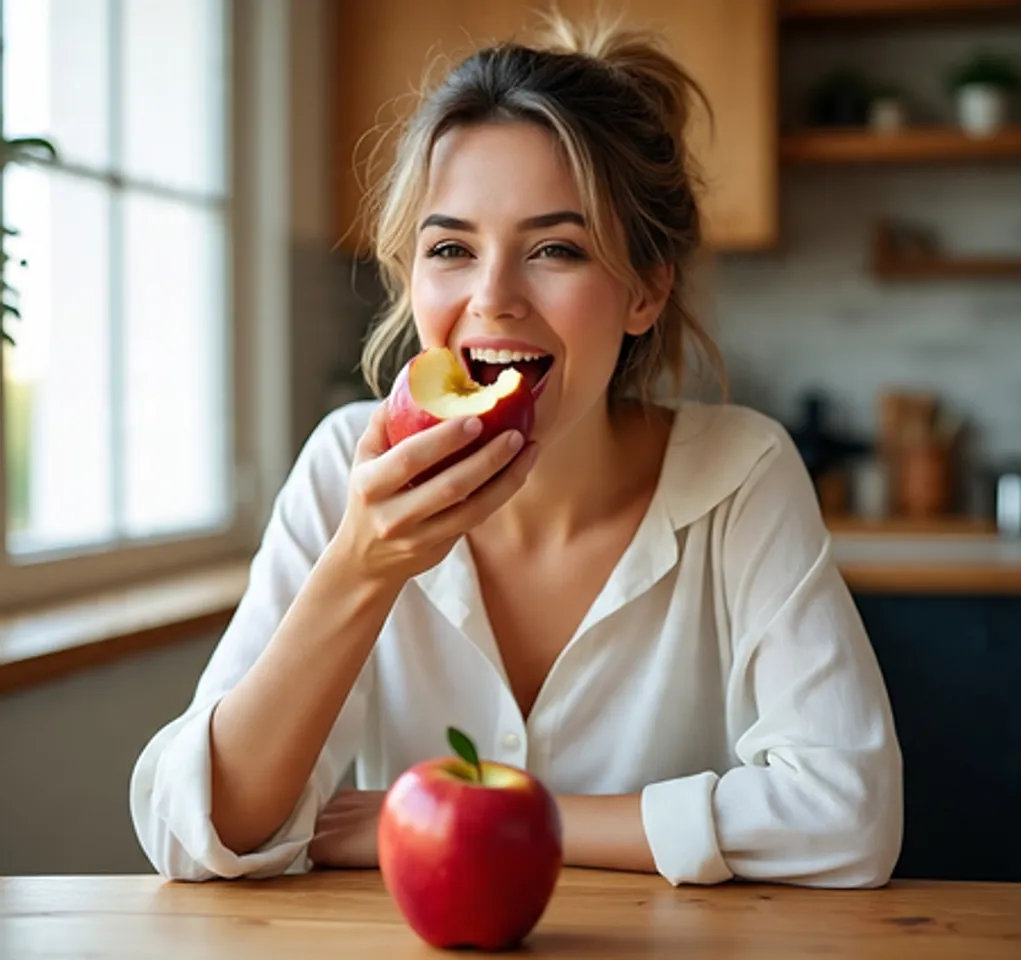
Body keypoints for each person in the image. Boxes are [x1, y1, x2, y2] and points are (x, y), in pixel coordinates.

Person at [130, 12, 903, 887]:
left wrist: (491, 812)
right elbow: (193, 835)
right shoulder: (352, 463)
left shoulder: (741, 474)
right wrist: (363, 566)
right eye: (451, 247)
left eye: (554, 249)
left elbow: (850, 817)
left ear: (645, 290)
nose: (491, 298)